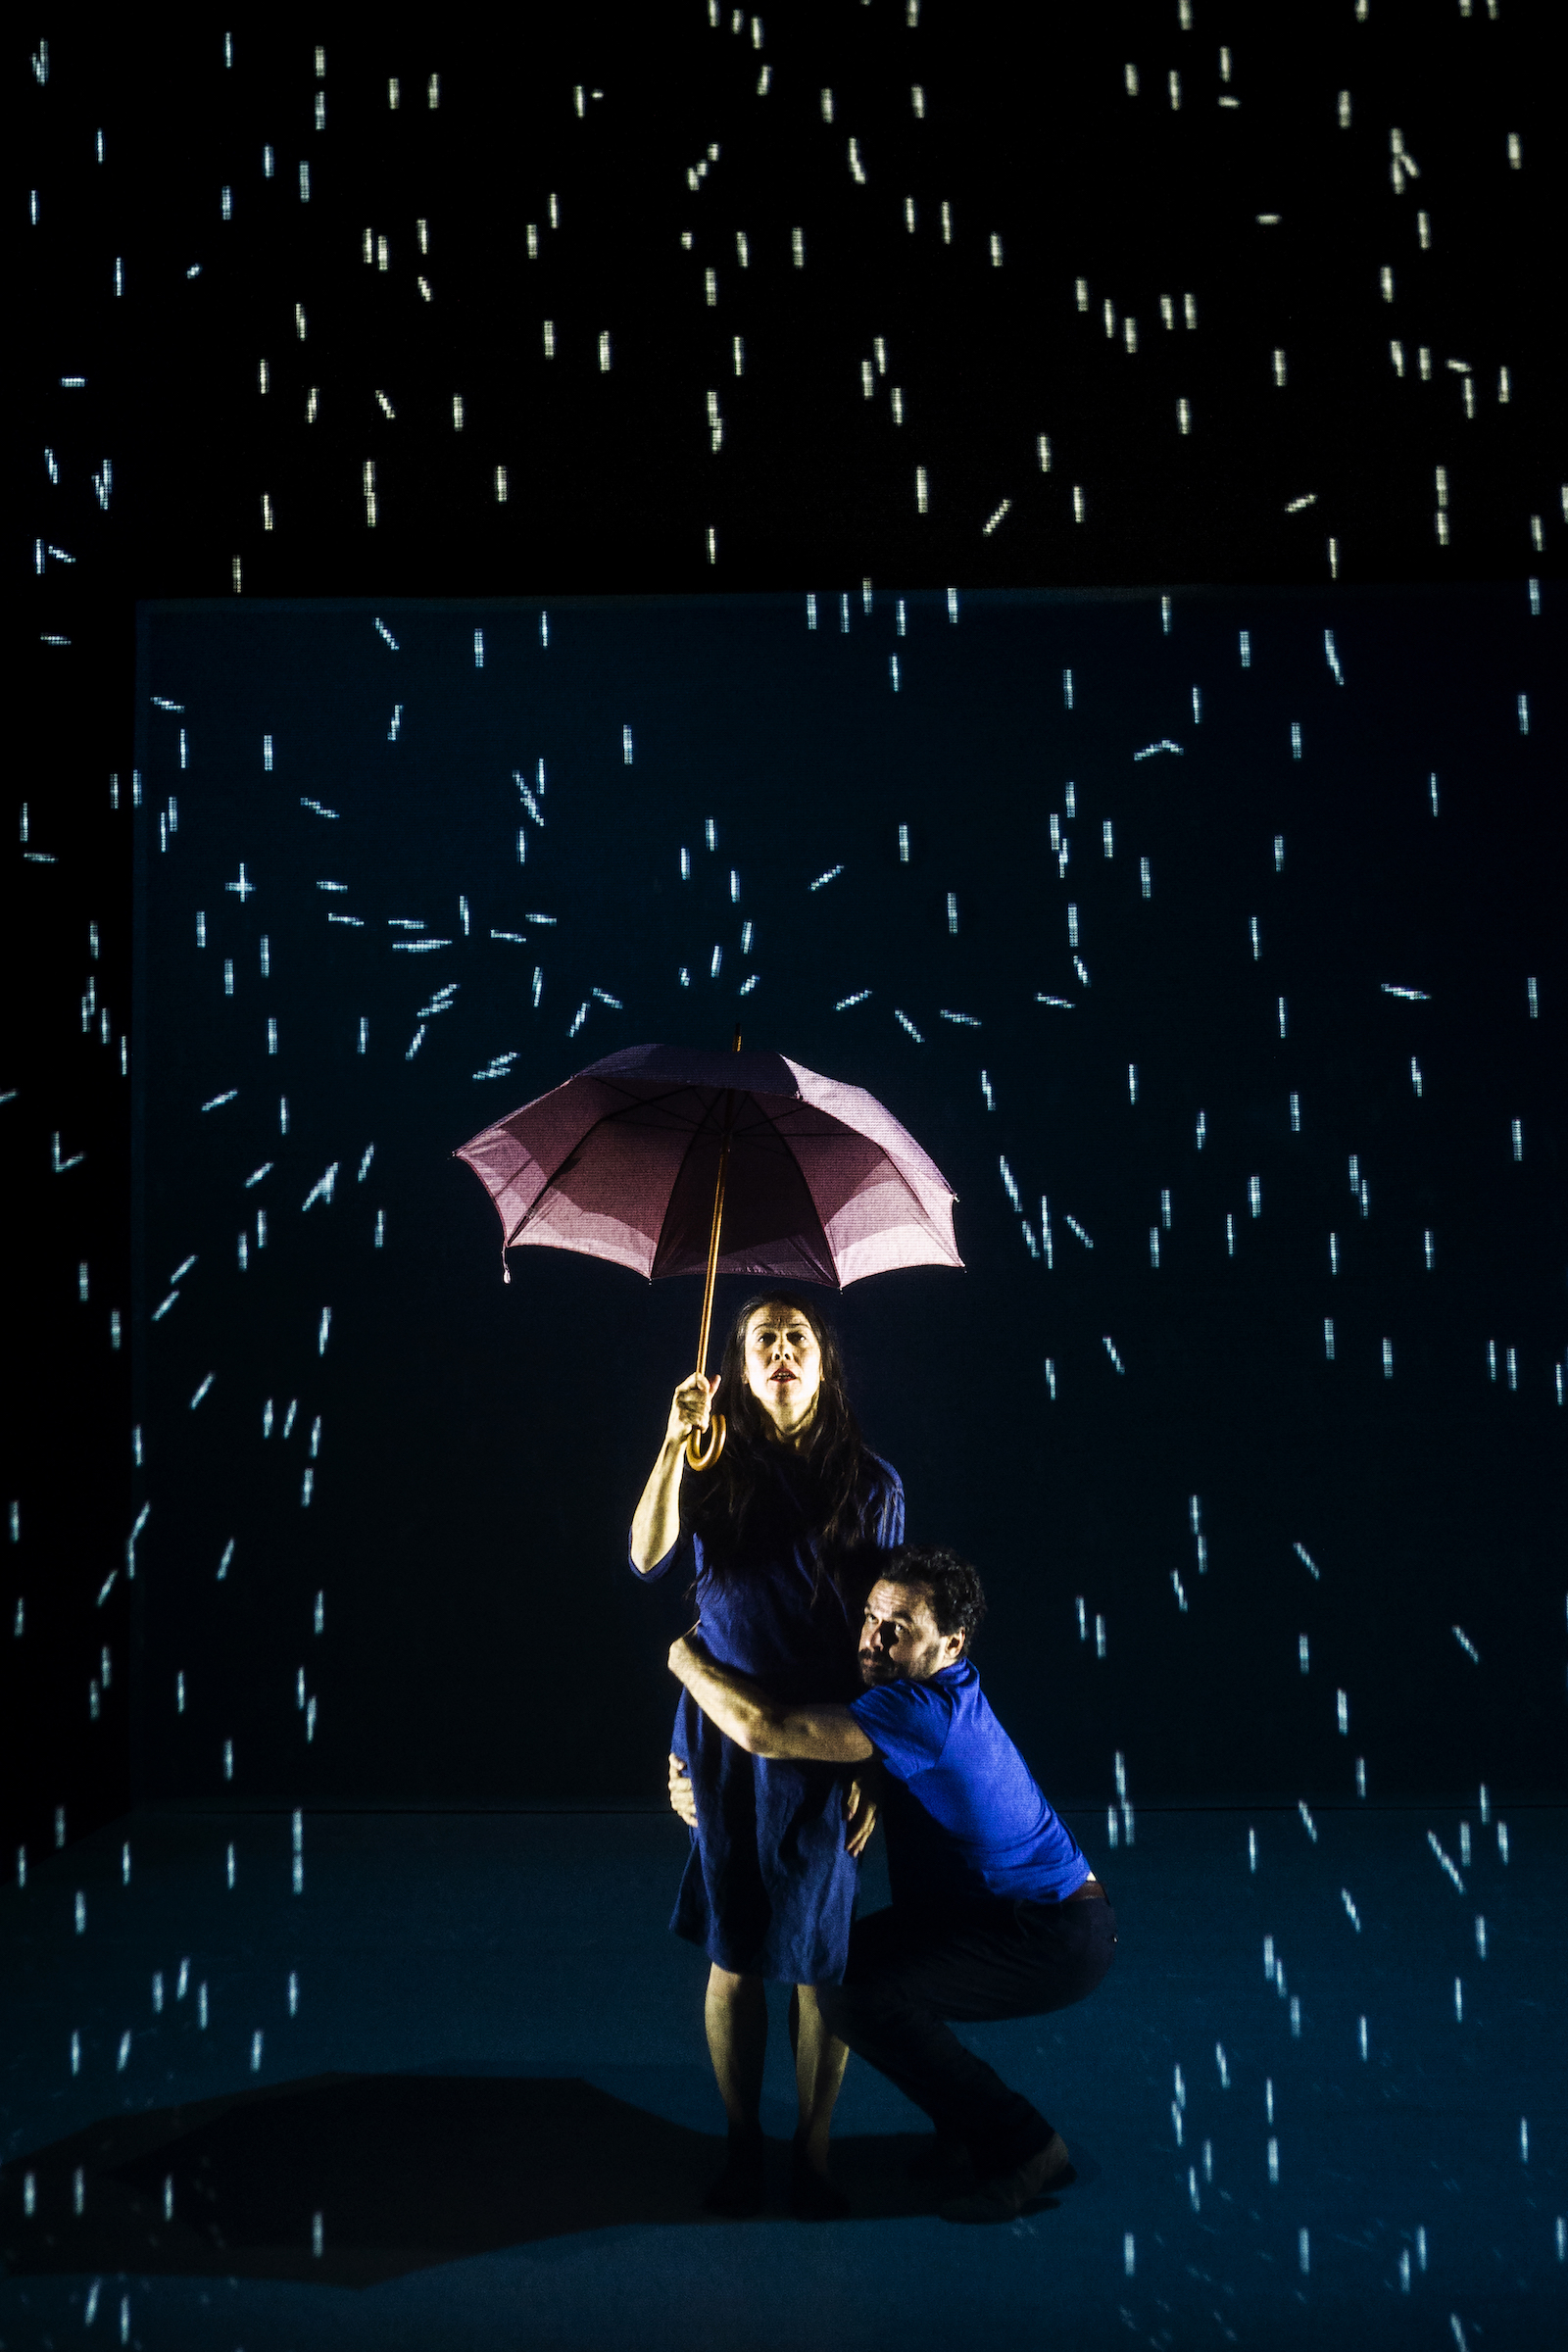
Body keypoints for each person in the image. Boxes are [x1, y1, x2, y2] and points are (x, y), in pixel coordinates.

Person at [665, 1543, 1116, 2223]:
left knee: (854, 1993)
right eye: (871, 1618)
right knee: (858, 1971)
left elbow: (767, 1730)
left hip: (1053, 1933)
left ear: (951, 1644)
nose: (872, 1640)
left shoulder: (921, 1711)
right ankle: (964, 2134)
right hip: (996, 1911)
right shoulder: (930, 1691)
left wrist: (685, 1660)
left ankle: (1026, 2147)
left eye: (897, 1629)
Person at [630, 1292, 905, 2219]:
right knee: (735, 1951)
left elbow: (886, 1642)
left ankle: (813, 2153)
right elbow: (646, 1556)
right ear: (741, 1371)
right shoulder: (710, 1465)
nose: (782, 1350)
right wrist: (673, 1445)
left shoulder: (873, 1484)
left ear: (822, 1363)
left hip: (824, 1739)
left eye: (797, 1338)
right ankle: (742, 2147)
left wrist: (872, 1763)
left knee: (821, 1959)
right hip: (721, 1734)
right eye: (762, 1340)